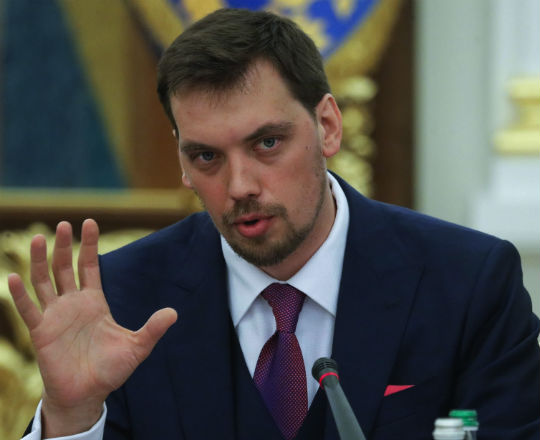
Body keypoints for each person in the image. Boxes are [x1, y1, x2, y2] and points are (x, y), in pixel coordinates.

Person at [8, 8, 540, 440]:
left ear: (327, 126)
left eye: (267, 143)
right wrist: (71, 417)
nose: (240, 185)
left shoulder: (466, 284)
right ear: (182, 162)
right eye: (207, 157)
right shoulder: (124, 298)